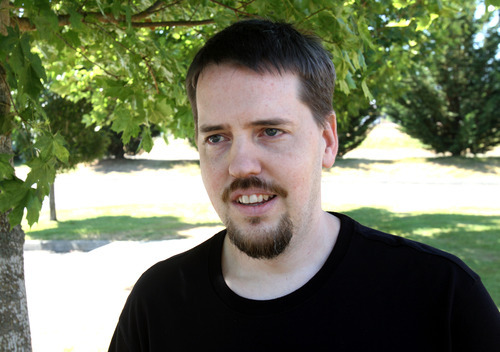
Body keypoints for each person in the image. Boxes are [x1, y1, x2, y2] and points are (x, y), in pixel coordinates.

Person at [109, 19, 500, 351]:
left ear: (327, 140)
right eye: (216, 137)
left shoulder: (443, 298)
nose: (240, 165)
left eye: (271, 131)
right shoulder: (157, 305)